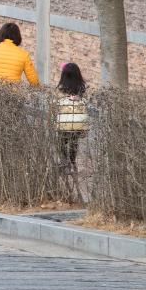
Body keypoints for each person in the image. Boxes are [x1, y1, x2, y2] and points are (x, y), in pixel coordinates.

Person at [56, 62, 89, 200]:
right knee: (74, 141)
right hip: (78, 123)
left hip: (64, 123)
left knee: (61, 141)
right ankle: (72, 160)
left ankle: (64, 161)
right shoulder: (83, 88)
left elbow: (55, 104)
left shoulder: (60, 89)